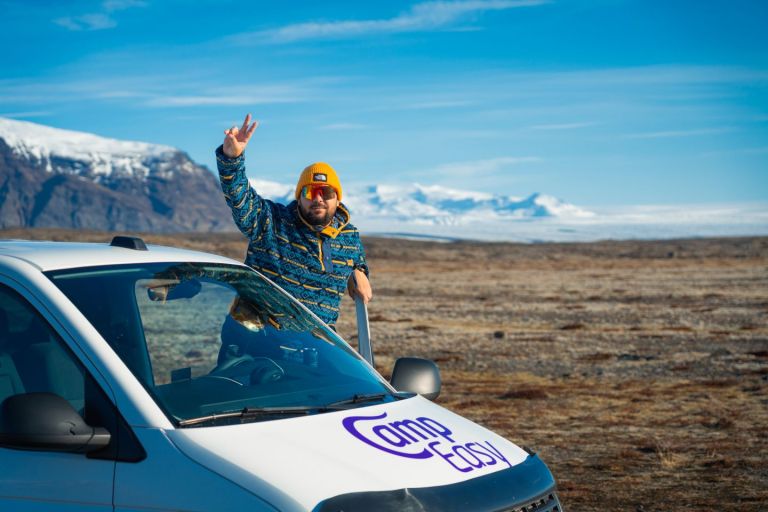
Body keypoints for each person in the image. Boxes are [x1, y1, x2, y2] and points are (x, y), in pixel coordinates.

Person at [215, 114, 372, 328]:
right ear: (299, 196)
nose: (318, 199)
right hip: (254, 346)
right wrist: (231, 159)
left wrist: (359, 271)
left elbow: (357, 260)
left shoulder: (349, 236)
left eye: (325, 192)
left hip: (314, 349)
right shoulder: (270, 222)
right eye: (309, 192)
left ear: (337, 198)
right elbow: (239, 198)